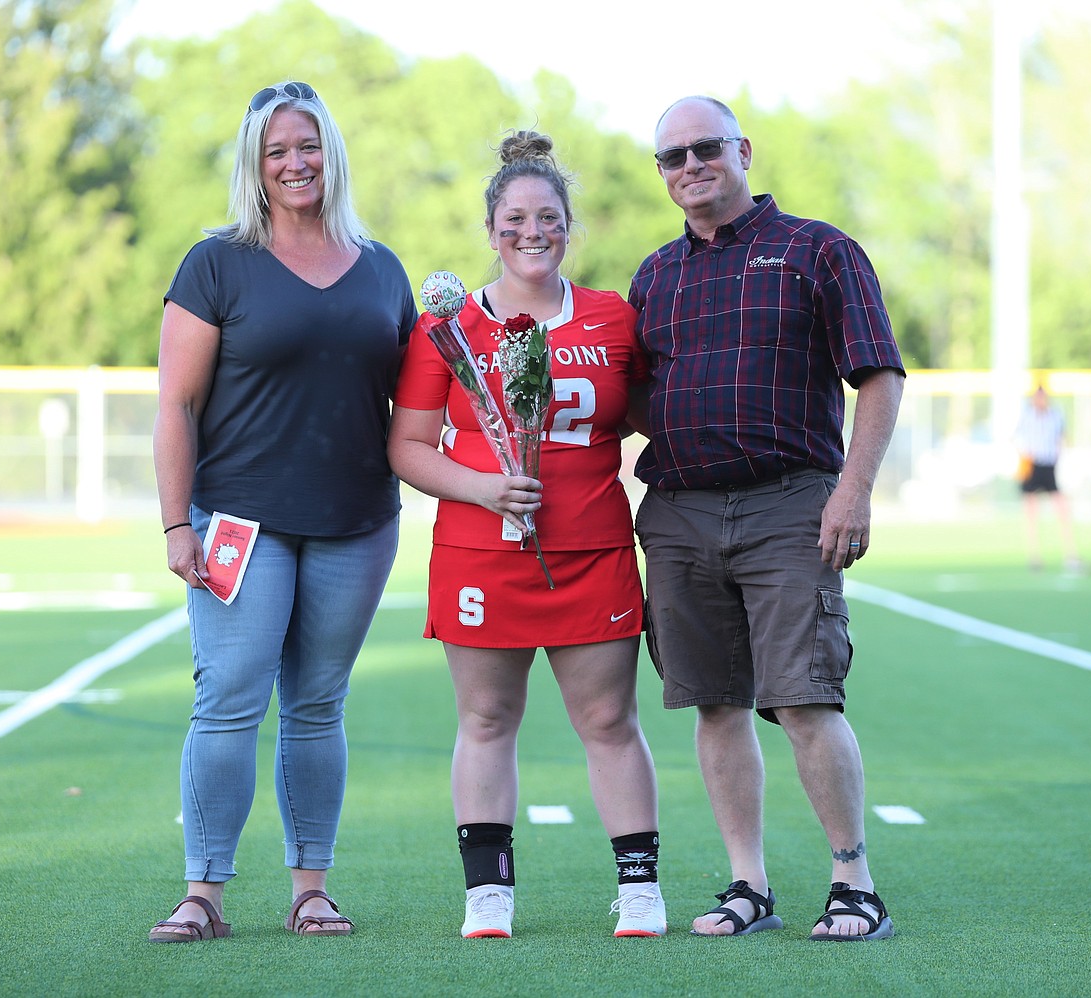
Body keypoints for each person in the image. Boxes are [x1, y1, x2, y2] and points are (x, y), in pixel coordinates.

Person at [627, 96, 905, 941]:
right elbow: (639, 395)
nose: (688, 167)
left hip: (791, 501)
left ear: (741, 149)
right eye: (670, 158)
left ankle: (853, 880)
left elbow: (880, 376)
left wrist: (852, 491)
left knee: (805, 698)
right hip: (677, 510)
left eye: (704, 148)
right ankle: (748, 884)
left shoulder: (818, 250)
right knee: (714, 703)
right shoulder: (654, 274)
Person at [148, 81, 416, 942]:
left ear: (331, 153)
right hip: (238, 523)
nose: (295, 163)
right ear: (255, 167)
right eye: (277, 152)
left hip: (358, 522)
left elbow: (417, 402)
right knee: (228, 699)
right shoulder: (216, 261)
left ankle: (311, 891)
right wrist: (175, 523)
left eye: (308, 146)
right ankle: (203, 896)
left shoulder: (382, 267)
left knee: (317, 706)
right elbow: (176, 407)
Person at [387, 131, 665, 940]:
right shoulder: (451, 326)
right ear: (491, 227)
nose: (531, 232)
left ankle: (640, 888)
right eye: (514, 218)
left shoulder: (614, 317)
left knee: (610, 720)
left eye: (548, 217)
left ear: (569, 225)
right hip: (480, 553)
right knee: (484, 720)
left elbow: (654, 417)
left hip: (592, 549)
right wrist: (483, 487)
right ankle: (488, 894)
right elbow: (406, 444)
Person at [1016, 383, 1081, 572]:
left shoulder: (1055, 416)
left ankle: (1070, 552)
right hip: (1033, 465)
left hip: (1049, 465)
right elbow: (1017, 438)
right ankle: (1034, 555)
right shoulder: (1027, 416)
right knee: (1031, 511)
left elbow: (1062, 439)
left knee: (1062, 509)